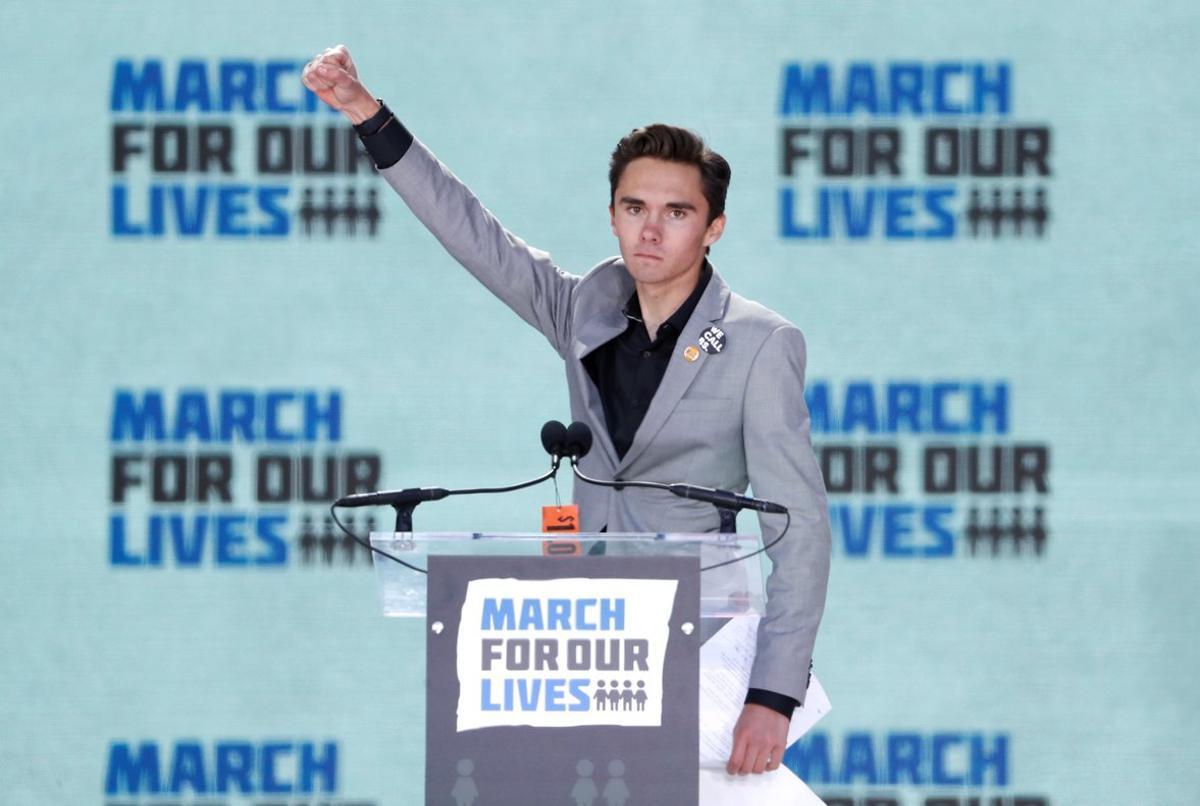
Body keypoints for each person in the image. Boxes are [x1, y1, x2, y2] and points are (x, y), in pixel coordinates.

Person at [302, 45, 831, 777]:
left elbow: (797, 529)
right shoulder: (584, 308)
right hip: (583, 645)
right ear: (611, 216)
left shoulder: (759, 343)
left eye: (677, 212)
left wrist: (774, 694)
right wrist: (370, 117)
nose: (651, 229)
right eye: (634, 208)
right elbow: (475, 236)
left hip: (703, 650)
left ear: (714, 228)